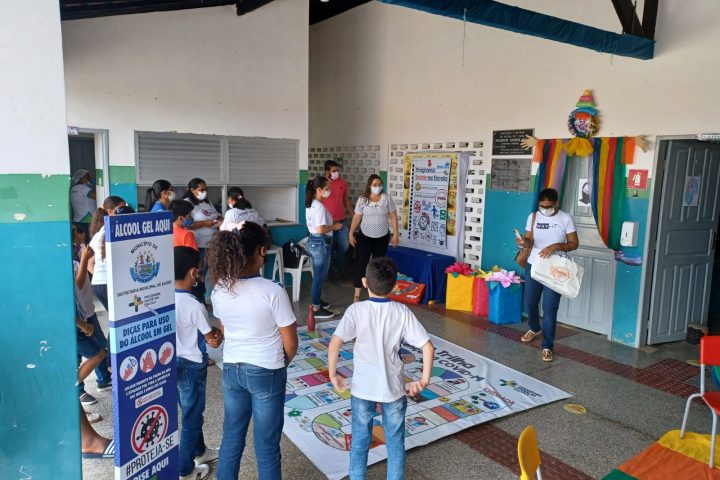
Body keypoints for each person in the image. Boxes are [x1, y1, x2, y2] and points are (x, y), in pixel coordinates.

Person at [328, 257, 435, 480]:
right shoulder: (401, 311)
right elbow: (428, 347)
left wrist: (333, 374)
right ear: (395, 286)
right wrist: (424, 380)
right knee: (395, 442)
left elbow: (335, 343)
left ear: (364, 282)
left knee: (359, 441)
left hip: (362, 389)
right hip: (394, 390)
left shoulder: (356, 310)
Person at [207, 222, 298, 480]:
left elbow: (225, 328)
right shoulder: (273, 291)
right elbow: (291, 343)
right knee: (267, 444)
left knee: (231, 436)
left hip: (232, 369)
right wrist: (277, 364)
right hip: (267, 370)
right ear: (261, 251)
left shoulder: (219, 288)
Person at [174, 246, 224, 480]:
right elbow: (211, 338)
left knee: (189, 410)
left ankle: (200, 452)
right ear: (194, 272)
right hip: (192, 365)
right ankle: (185, 470)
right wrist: (218, 333)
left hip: (173, 363)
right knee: (192, 418)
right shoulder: (194, 304)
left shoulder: (163, 299)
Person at [518, 188, 579, 362]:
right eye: (542, 206)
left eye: (548, 206)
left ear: (556, 203)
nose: (545, 209)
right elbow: (529, 240)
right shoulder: (533, 217)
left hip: (555, 269)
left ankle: (547, 346)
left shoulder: (565, 218)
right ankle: (534, 327)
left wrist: (556, 246)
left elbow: (574, 243)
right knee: (530, 302)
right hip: (534, 265)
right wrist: (524, 242)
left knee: (550, 308)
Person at [73, 231, 112, 408]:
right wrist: (83, 260)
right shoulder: (69, 262)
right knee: (93, 353)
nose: (81, 236)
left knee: (99, 348)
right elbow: (78, 285)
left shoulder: (75, 259)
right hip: (78, 319)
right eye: (78, 233)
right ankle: (75, 390)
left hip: (86, 312)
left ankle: (103, 380)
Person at [349, 174, 400, 303]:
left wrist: (396, 234)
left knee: (378, 266)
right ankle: (356, 295)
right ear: (369, 186)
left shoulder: (387, 199)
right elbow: (357, 217)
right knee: (361, 263)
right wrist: (351, 233)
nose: (377, 187)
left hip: (382, 237)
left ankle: (376, 294)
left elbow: (393, 216)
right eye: (375, 185)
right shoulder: (363, 199)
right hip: (365, 236)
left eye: (379, 185)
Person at [305, 175, 343, 319]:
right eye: (327, 189)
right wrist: (335, 226)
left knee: (319, 275)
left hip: (314, 241)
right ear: (319, 189)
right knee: (319, 277)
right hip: (320, 242)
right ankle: (316, 308)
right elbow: (320, 229)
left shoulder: (311, 203)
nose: (329, 191)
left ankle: (317, 301)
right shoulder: (319, 206)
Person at [183, 178, 222, 303]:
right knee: (199, 275)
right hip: (199, 245)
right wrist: (205, 223)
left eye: (206, 189)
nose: (204, 192)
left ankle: (211, 300)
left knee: (214, 275)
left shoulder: (206, 202)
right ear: (192, 190)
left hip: (213, 244)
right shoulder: (187, 203)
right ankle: (199, 302)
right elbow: (186, 224)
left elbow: (216, 215)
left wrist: (220, 219)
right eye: (201, 189)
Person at [88, 196, 128, 311]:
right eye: (121, 208)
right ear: (111, 211)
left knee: (116, 315)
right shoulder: (113, 231)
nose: (125, 211)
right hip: (108, 284)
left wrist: (100, 276)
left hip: (98, 284)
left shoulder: (100, 232)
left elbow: (90, 263)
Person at [321, 161, 354, 279]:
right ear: (327, 172)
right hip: (327, 222)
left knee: (344, 247)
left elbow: (346, 199)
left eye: (337, 170)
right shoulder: (322, 184)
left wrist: (353, 214)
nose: (336, 173)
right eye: (334, 171)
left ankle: (342, 272)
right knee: (328, 248)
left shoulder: (342, 183)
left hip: (341, 220)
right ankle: (329, 274)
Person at [70, 169, 97, 242]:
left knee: (80, 243)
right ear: (81, 178)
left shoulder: (73, 189)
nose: (90, 178)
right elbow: (97, 196)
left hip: (78, 219)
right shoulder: (83, 188)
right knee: (89, 242)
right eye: (87, 176)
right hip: (87, 219)